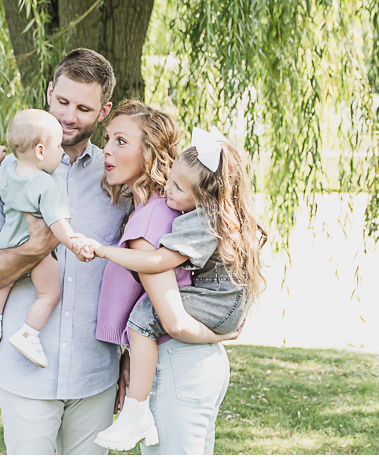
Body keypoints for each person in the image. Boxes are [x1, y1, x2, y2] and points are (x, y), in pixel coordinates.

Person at [0, 48, 130, 455]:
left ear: (104, 111)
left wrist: (130, 357)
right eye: (64, 101)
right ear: (50, 91)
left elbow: (138, 274)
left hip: (96, 373)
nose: (70, 116)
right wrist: (33, 250)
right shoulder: (6, 173)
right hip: (25, 376)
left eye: (84, 108)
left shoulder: (119, 178)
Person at [76, 101, 251, 455]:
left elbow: (172, 321)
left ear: (151, 151)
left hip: (178, 363)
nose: (106, 149)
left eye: (121, 141)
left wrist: (220, 333)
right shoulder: (163, 209)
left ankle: (134, 412)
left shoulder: (151, 221)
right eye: (107, 138)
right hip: (191, 364)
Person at [0, 109, 84, 369]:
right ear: (40, 151)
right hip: (37, 253)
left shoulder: (6, 173)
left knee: (1, 282)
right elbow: (57, 221)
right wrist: (73, 243)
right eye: (57, 146)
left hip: (6, 244)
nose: (61, 151)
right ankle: (28, 333)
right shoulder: (48, 183)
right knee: (48, 294)